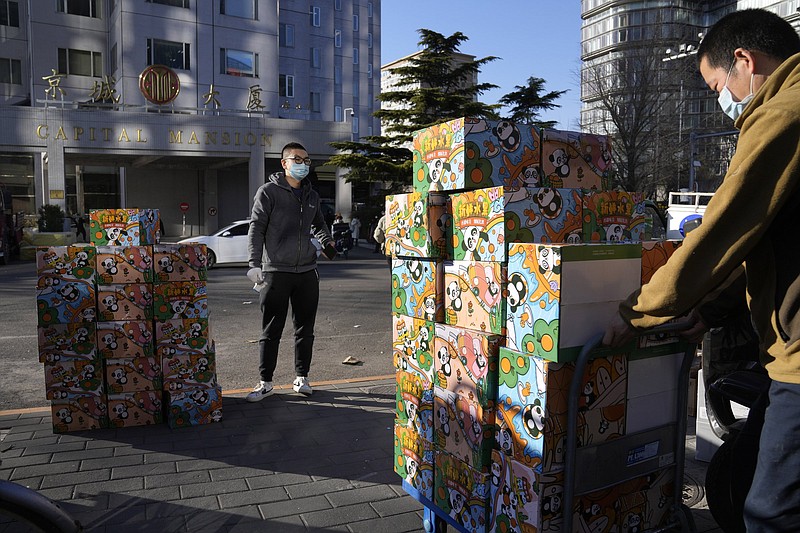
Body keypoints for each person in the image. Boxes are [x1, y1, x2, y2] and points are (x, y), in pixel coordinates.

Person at [602, 9, 800, 531]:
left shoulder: (785, 112)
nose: (723, 100)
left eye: (718, 85)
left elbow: (723, 230)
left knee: (771, 512)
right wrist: (709, 310)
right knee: (753, 475)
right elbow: (766, 240)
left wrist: (639, 311)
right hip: (784, 355)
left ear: (744, 61)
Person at [246, 142, 337, 401]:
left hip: (307, 272)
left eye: (307, 160)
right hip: (275, 271)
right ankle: (265, 382)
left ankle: (302, 378)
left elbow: (318, 224)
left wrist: (327, 242)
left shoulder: (312, 195)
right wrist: (254, 264)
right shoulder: (268, 193)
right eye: (297, 159)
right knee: (270, 330)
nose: (303, 164)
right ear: (284, 163)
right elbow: (257, 229)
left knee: (305, 329)